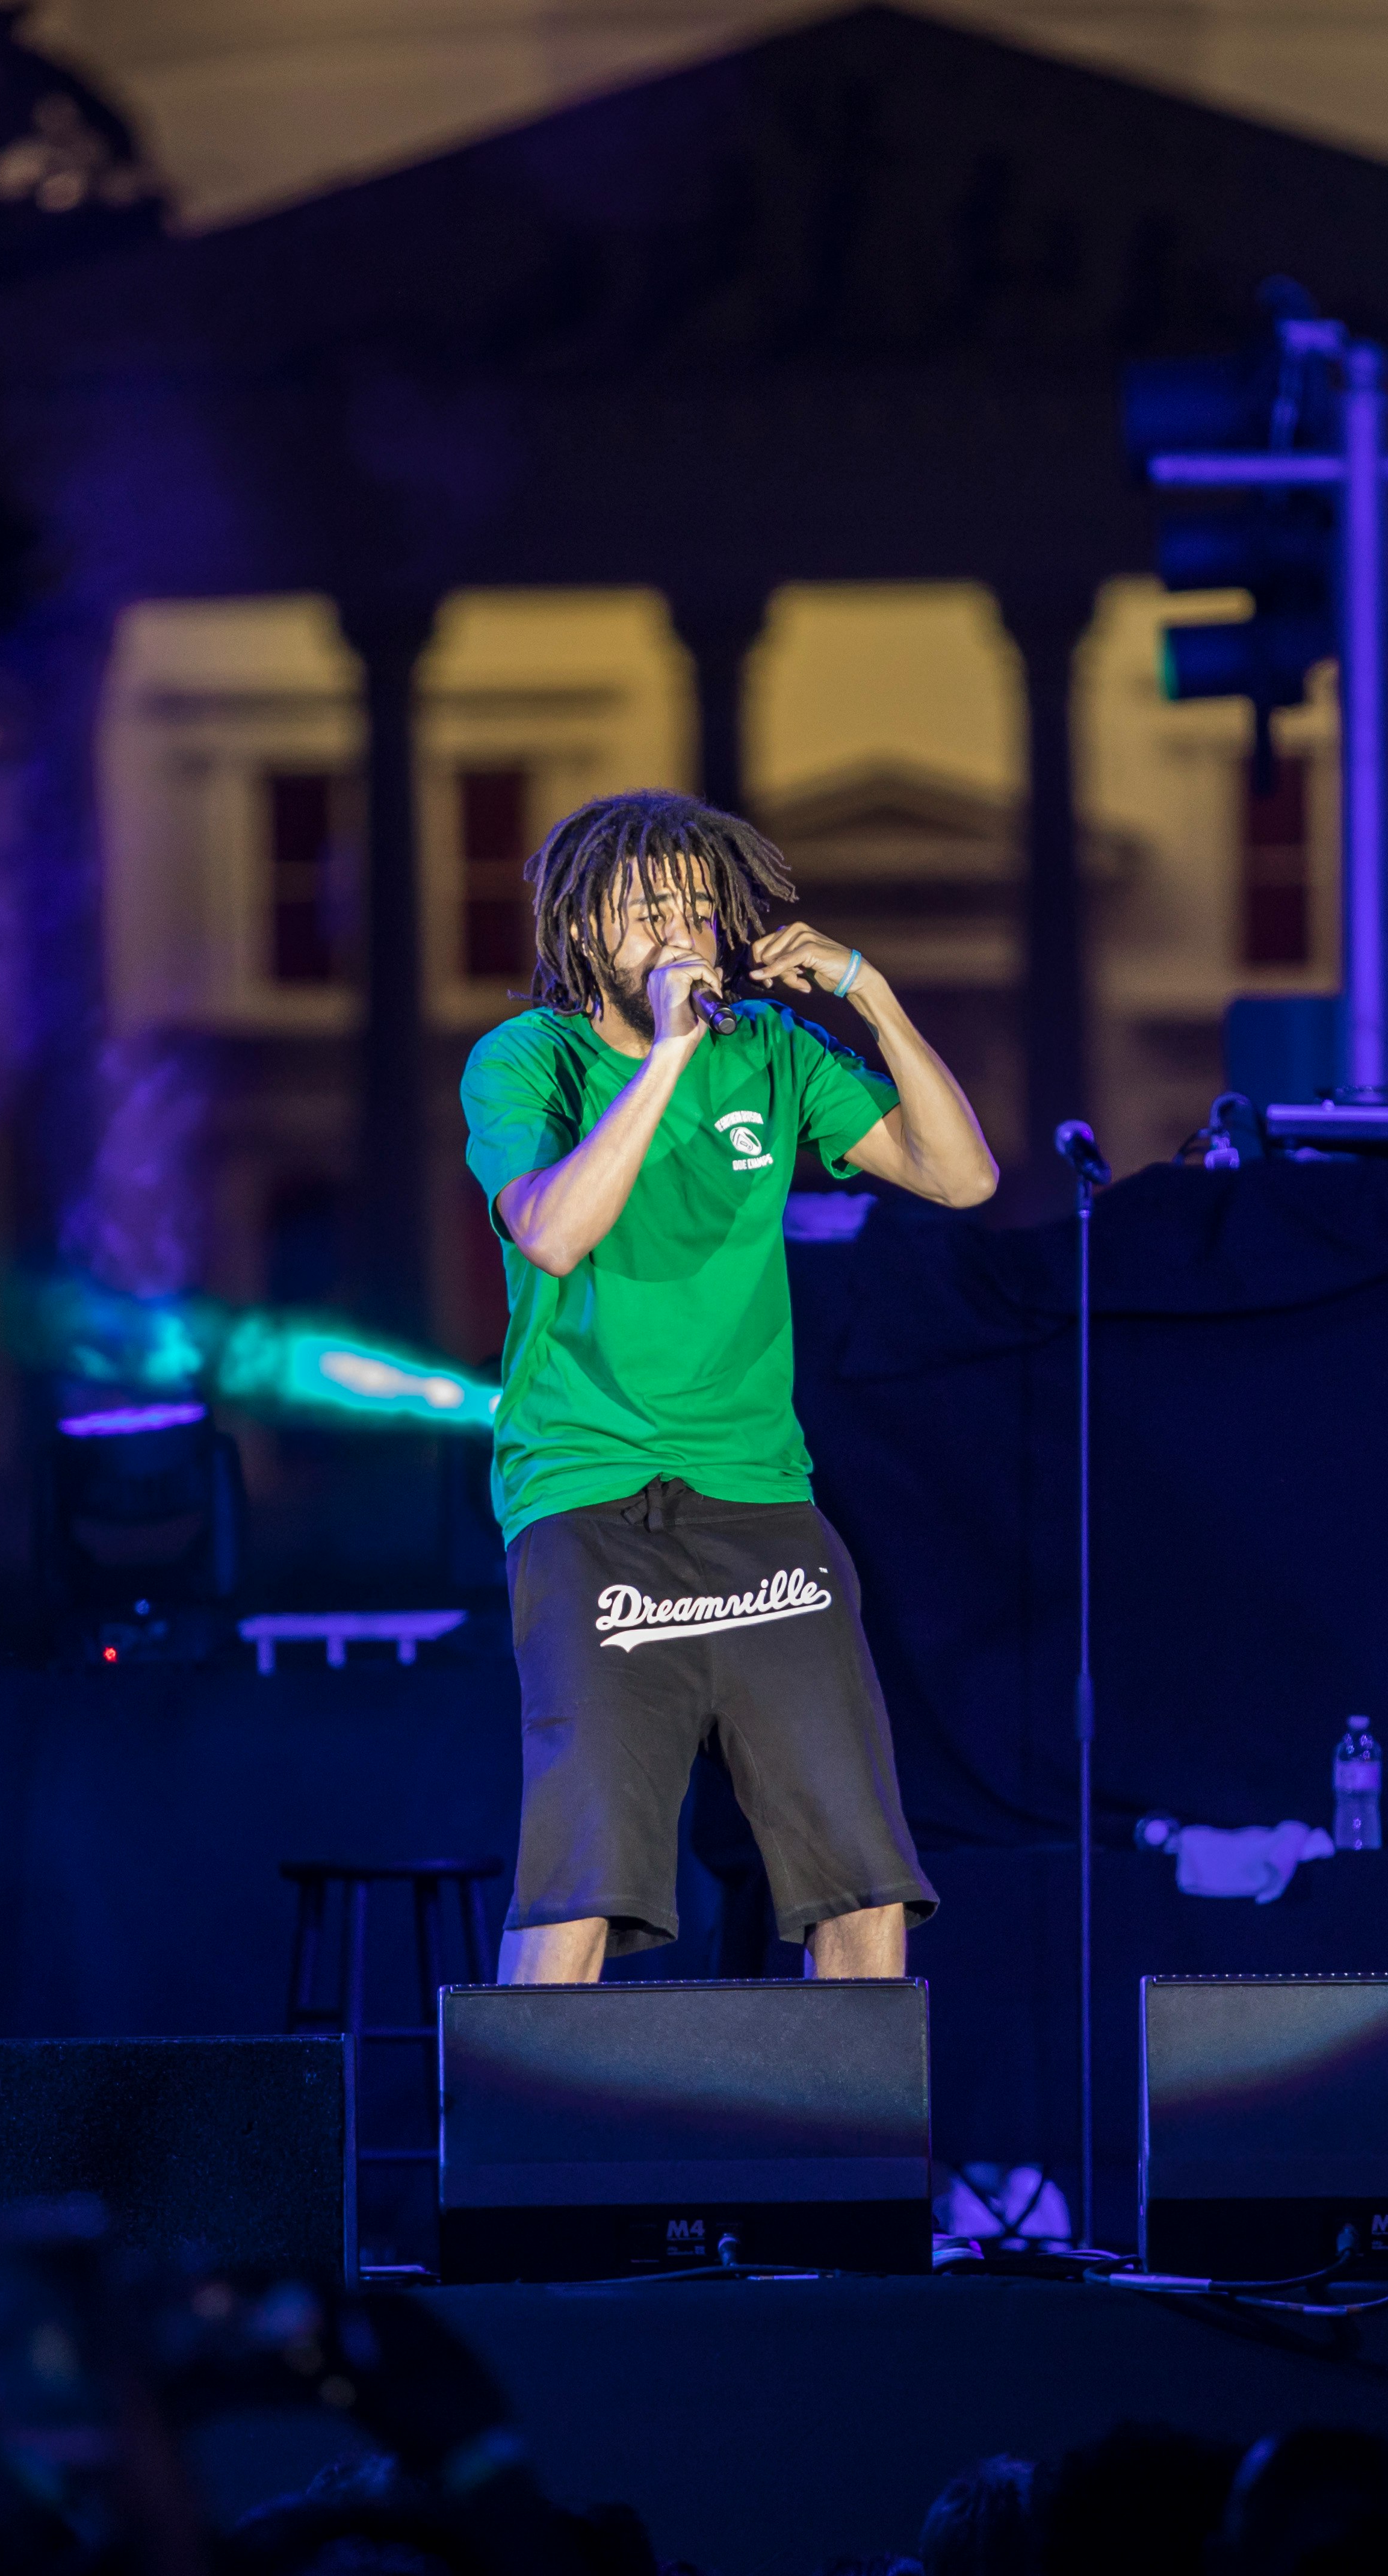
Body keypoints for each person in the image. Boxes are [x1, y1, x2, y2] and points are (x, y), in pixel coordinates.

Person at [459, 790, 999, 1983]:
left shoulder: (774, 1050)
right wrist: (664, 1056)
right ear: (580, 927)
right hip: (589, 1498)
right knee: (581, 1876)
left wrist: (871, 996)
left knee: (863, 1880)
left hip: (759, 1498)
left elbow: (959, 1178)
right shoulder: (525, 1061)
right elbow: (552, 1231)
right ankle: (531, 2159)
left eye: (697, 908)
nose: (679, 931)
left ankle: (857, 2164)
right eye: (646, 909)